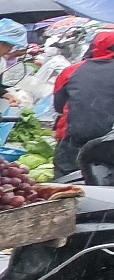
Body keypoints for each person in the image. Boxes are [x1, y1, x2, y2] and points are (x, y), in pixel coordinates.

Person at [52, 31, 114, 178]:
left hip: (73, 137)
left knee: (65, 182)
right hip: (109, 140)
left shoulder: (71, 70)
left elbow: (59, 105)